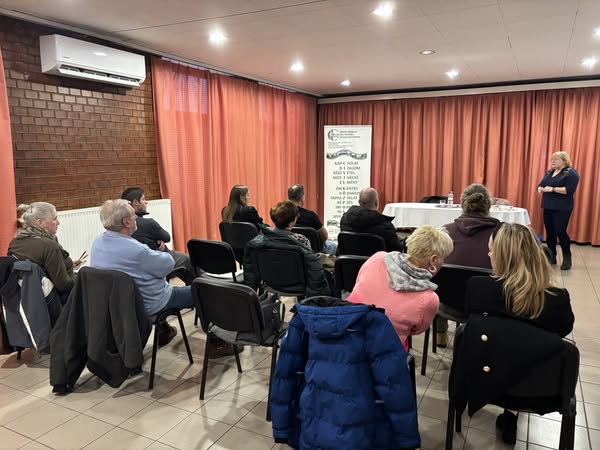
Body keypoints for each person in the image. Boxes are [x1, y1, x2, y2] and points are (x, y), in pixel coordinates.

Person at [464, 222, 574, 444]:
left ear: (502, 256)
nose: (488, 254)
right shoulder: (558, 300)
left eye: (491, 250)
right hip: (540, 389)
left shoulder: (478, 289)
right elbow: (561, 332)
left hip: (484, 380)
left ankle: (509, 416)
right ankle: (511, 417)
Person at [90, 200, 233, 356]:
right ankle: (217, 343)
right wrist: (162, 251)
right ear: (126, 222)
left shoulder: (98, 242)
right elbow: (168, 265)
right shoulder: (137, 250)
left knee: (152, 283)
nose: (136, 217)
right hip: (152, 303)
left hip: (120, 306)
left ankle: (164, 330)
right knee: (207, 291)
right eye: (133, 215)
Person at [347, 225, 454, 350]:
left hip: (344, 328)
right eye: (443, 259)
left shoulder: (378, 257)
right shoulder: (429, 299)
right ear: (433, 260)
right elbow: (416, 330)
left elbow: (358, 284)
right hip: (381, 350)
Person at [437, 183, 499, 347]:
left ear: (463, 205)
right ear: (489, 206)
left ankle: (440, 334)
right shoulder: (503, 234)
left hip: (448, 303)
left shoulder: (444, 231)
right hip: (490, 307)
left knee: (436, 280)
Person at [243, 201, 331, 298]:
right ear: (292, 222)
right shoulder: (302, 240)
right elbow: (310, 267)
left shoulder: (259, 241)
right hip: (298, 286)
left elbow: (250, 271)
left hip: (270, 284)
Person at [8, 202, 81, 301]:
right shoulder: (50, 246)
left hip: (30, 300)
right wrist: (81, 278)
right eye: (54, 219)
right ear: (39, 222)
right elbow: (63, 286)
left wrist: (67, 265)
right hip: (57, 301)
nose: (58, 222)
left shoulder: (15, 242)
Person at [121, 187, 194, 284]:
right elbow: (167, 237)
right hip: (158, 258)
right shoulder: (148, 223)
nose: (146, 202)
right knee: (187, 260)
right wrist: (158, 239)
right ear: (135, 202)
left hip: (137, 265)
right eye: (143, 199)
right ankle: (197, 290)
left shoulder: (121, 225)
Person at [537, 151, 580, 270]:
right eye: (552, 159)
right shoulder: (550, 172)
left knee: (560, 231)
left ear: (564, 161)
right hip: (548, 206)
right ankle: (552, 256)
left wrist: (553, 189)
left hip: (562, 207)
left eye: (556, 159)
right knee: (550, 232)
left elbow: (569, 190)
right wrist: (539, 188)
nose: (553, 161)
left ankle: (567, 258)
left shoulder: (571, 173)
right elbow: (541, 184)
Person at [340, 187, 405, 251]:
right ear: (376, 203)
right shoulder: (386, 227)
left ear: (359, 202)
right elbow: (396, 249)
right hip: (377, 258)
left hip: (348, 258)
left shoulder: (345, 221)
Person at [287, 184, 336, 254]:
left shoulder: (282, 215)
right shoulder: (310, 216)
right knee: (333, 246)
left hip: (289, 249)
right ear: (302, 197)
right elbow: (324, 236)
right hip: (312, 251)